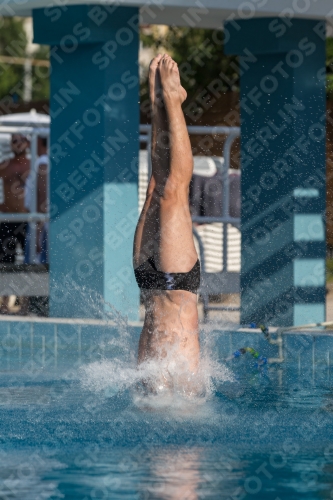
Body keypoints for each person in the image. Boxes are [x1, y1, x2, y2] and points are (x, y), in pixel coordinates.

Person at [133, 54, 201, 390]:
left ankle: (160, 104)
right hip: (174, 289)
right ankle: (172, 102)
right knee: (172, 191)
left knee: (155, 190)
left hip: (149, 285)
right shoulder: (187, 397)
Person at [0, 133, 30, 313]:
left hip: (28, 219)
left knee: (29, 262)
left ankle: (25, 303)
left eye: (21, 140)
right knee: (6, 261)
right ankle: (4, 302)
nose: (17, 144)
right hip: (9, 220)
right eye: (14, 141)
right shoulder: (5, 165)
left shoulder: (35, 165)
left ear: (28, 142)